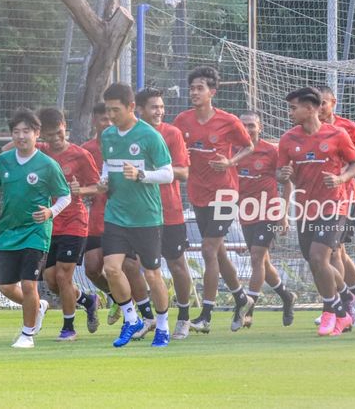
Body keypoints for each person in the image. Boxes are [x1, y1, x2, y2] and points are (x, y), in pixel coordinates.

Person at [0, 108, 71, 348]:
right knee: (6, 287)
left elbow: (65, 196)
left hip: (36, 232)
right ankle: (39, 306)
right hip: (7, 231)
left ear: (37, 134)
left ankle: (27, 335)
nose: (21, 136)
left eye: (26, 131)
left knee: (28, 285)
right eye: (16, 132)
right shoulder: (3, 160)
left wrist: (49, 212)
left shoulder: (47, 165)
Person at [171, 66, 256, 333]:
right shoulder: (182, 121)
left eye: (200, 88)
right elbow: (173, 148)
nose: (194, 92)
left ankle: (205, 315)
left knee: (208, 250)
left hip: (225, 194)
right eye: (192, 88)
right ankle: (242, 299)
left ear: (212, 92)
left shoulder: (228, 121)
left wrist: (230, 161)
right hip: (198, 193)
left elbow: (249, 146)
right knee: (218, 253)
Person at [277, 87, 355, 337]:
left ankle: (330, 311)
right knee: (315, 263)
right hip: (305, 209)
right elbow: (281, 174)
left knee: (318, 257)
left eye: (294, 108)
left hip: (334, 206)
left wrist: (341, 178)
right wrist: (282, 175)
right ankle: (345, 300)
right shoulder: (287, 139)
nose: (290, 112)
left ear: (311, 108)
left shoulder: (337, 134)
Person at [99, 83, 175, 348]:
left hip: (146, 217)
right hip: (116, 214)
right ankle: (131, 319)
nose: (110, 116)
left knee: (152, 274)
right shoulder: (107, 135)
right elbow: (107, 165)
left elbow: (168, 173)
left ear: (131, 107)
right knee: (111, 268)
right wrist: (103, 181)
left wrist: (142, 175)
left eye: (115, 110)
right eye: (107, 110)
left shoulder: (150, 136)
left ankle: (163, 327)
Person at [126, 87, 194, 340]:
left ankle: (184, 317)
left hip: (169, 211)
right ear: (139, 109)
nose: (160, 111)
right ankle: (148, 317)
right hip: (138, 214)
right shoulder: (129, 135)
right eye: (154, 107)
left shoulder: (172, 134)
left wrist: (149, 171)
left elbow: (183, 172)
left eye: (161, 107)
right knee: (132, 265)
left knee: (177, 264)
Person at [35, 108, 102, 341]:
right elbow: (6, 150)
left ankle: (68, 328)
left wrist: (80, 190)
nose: (54, 139)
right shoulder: (40, 153)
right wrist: (26, 139)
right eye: (48, 135)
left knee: (64, 277)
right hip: (50, 224)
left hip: (75, 222)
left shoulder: (80, 155)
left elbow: (98, 186)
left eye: (58, 133)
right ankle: (87, 300)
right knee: (52, 280)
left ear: (64, 125)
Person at [316, 86, 355, 327]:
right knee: (337, 251)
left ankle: (340, 304)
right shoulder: (308, 130)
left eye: (323, 103)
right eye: (315, 104)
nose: (319, 109)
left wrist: (346, 169)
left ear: (333, 103)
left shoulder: (347, 127)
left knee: (333, 251)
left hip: (345, 197)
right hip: (318, 199)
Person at [235, 110, 297, 328]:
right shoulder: (234, 152)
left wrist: (283, 214)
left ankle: (247, 309)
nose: (248, 129)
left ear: (260, 128)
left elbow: (287, 183)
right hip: (245, 213)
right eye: (244, 125)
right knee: (264, 262)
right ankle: (287, 296)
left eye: (252, 125)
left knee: (256, 257)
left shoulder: (271, 152)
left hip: (268, 211)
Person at [77, 103, 120, 325]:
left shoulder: (125, 144)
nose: (109, 123)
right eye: (104, 119)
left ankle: (133, 310)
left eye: (113, 118)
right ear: (95, 120)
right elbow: (80, 184)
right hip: (95, 219)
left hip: (121, 218)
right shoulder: (85, 150)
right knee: (93, 269)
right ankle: (116, 297)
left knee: (119, 269)